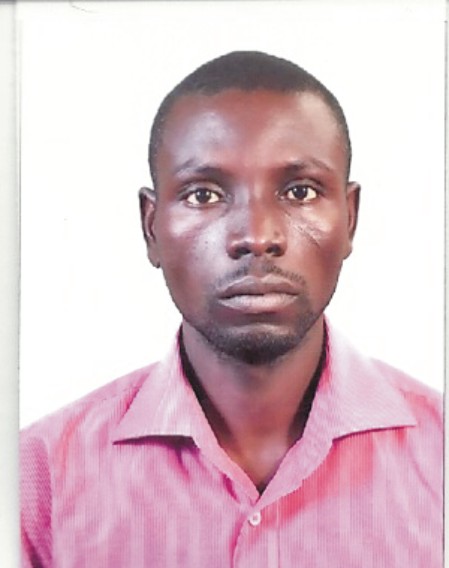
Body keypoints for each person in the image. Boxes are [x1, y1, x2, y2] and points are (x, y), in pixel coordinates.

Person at [20, 51, 442, 567]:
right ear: (151, 227)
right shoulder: (37, 479)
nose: (256, 236)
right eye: (204, 195)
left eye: (300, 191)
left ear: (350, 218)